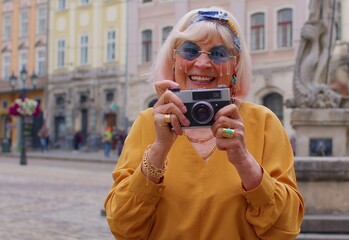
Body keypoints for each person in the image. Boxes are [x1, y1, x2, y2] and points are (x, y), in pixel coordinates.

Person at [104, 7, 304, 239]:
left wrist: (244, 161)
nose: (202, 62)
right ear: (174, 59)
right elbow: (121, 225)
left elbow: (286, 228)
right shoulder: (148, 123)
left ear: (235, 65)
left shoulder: (263, 123)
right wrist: (159, 149)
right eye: (190, 51)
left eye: (218, 54)